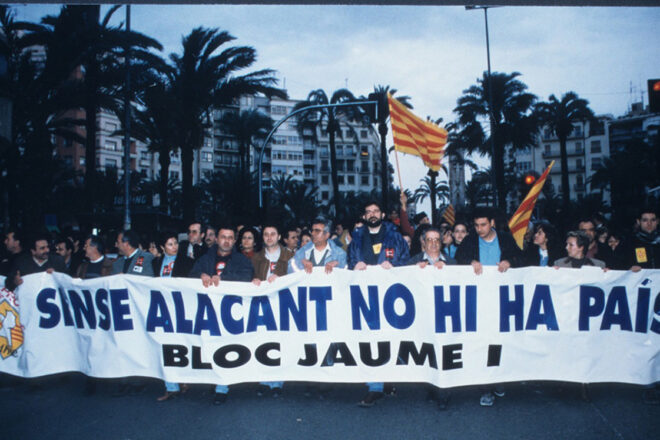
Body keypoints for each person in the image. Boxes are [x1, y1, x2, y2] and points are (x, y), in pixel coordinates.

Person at [455, 207, 521, 406]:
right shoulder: (470, 241)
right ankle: (485, 388)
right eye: (476, 225)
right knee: (482, 343)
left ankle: (498, 379)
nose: (479, 229)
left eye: (483, 224)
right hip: (478, 300)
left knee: (499, 341)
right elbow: (459, 259)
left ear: (492, 223)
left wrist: (509, 261)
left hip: (502, 299)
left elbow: (521, 258)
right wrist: (471, 261)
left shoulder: (506, 239)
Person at [348, 201, 409, 407]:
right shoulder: (355, 239)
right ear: (364, 217)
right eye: (368, 212)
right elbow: (349, 265)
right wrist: (354, 266)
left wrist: (393, 267)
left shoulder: (395, 237)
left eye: (376, 211)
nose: (372, 214)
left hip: (390, 294)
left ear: (382, 214)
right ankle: (375, 387)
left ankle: (388, 379)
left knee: (389, 337)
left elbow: (406, 263)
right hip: (366, 297)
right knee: (369, 338)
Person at [190, 225, 254, 405]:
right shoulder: (205, 259)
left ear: (234, 241)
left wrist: (223, 279)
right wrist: (201, 275)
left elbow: (246, 277)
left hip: (231, 312)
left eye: (230, 237)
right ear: (217, 239)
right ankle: (215, 379)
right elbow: (190, 276)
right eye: (223, 237)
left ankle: (222, 386)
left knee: (227, 348)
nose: (226, 240)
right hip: (208, 311)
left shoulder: (242, 260)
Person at [407, 227, 455, 410]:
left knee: (444, 352)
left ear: (441, 242)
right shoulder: (413, 261)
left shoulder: (451, 261)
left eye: (437, 240)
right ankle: (431, 388)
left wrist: (448, 270)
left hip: (445, 315)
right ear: (423, 242)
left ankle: (444, 393)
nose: (433, 243)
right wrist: (414, 272)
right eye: (429, 240)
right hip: (423, 315)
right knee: (427, 352)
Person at [251, 224, 295, 397]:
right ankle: (264, 380)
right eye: (266, 234)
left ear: (278, 237)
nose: (269, 237)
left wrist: (282, 279)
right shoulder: (256, 258)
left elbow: (298, 278)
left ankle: (277, 381)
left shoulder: (291, 256)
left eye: (273, 234)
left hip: (284, 303)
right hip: (263, 304)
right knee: (263, 340)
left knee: (280, 341)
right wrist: (253, 280)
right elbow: (249, 276)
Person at [152, 231, 192, 402]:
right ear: (162, 247)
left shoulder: (187, 262)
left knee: (183, 345)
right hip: (162, 310)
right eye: (169, 244)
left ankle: (184, 379)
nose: (174, 247)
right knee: (165, 346)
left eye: (175, 243)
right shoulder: (155, 263)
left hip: (181, 308)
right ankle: (171, 386)